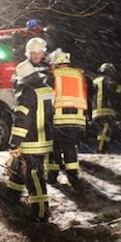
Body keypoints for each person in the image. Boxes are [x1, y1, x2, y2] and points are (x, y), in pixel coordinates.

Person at [3, 37, 54, 222]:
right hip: (43, 137)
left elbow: (22, 120)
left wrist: (14, 143)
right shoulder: (45, 87)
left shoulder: (27, 92)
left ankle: (40, 212)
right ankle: (11, 195)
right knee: (19, 166)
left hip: (32, 141)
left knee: (34, 176)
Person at [44, 50, 89, 186]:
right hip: (77, 118)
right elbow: (90, 91)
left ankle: (52, 176)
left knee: (54, 147)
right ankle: (73, 177)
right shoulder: (79, 75)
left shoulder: (53, 76)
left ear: (56, 63)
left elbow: (46, 97)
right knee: (70, 147)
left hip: (58, 117)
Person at [91, 63, 121, 153]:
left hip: (95, 111)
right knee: (106, 130)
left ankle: (101, 148)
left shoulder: (94, 81)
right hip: (106, 110)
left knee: (101, 131)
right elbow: (117, 89)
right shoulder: (108, 80)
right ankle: (101, 150)